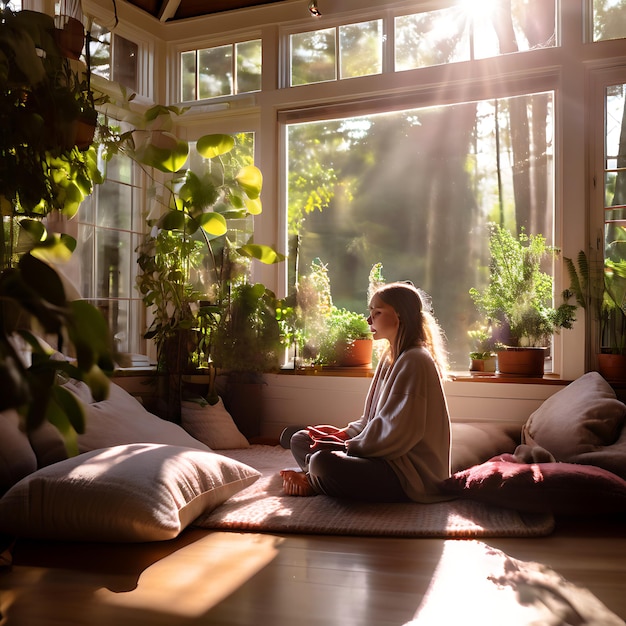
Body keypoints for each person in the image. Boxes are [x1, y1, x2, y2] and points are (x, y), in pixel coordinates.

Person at [280, 281, 452, 503]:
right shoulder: (390, 357)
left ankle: (312, 480)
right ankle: (315, 477)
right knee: (299, 438)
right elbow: (371, 420)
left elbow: (397, 435)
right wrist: (343, 433)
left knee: (323, 462)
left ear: (400, 316)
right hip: (381, 456)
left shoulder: (415, 360)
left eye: (377, 313)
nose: (369, 320)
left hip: (407, 475)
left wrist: (344, 446)